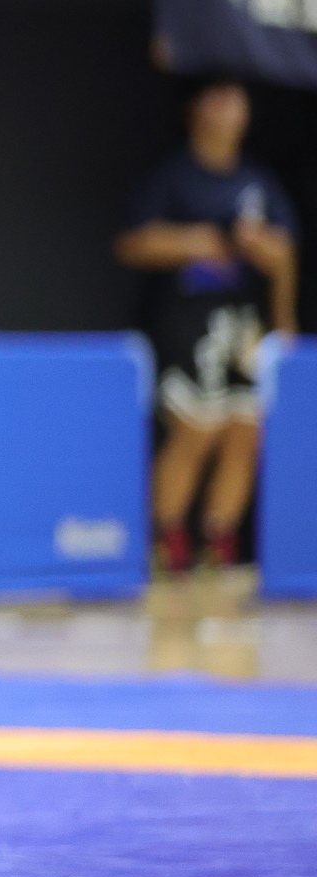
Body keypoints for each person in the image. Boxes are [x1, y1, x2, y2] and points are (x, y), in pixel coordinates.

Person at [115, 77, 299, 572]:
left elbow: (285, 255)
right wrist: (195, 242)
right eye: (218, 100)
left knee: (245, 429)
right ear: (196, 109)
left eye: (237, 101)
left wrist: (283, 321)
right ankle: (166, 535)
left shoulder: (258, 183)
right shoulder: (174, 178)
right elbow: (133, 242)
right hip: (186, 326)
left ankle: (220, 538)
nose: (229, 111)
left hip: (244, 328)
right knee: (196, 429)